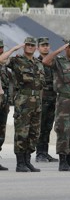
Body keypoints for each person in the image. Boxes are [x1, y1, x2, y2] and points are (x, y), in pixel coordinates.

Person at [0, 37, 44, 172]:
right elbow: (1, 59)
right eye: (28, 45)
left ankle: (27, 161)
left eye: (32, 45)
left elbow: (41, 85)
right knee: (22, 132)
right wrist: (14, 48)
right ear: (24, 47)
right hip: (23, 101)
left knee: (34, 133)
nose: (30, 47)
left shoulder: (38, 63)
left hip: (37, 101)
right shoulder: (17, 60)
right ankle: (20, 163)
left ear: (36, 48)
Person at [42, 39, 70, 172]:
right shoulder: (60, 61)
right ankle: (62, 161)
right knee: (63, 130)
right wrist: (58, 50)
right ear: (66, 49)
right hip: (65, 101)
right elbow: (45, 61)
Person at [36, 37, 59, 163]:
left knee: (48, 126)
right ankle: (40, 153)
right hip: (43, 97)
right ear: (38, 48)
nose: (45, 47)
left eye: (47, 45)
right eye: (43, 45)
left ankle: (45, 152)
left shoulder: (53, 62)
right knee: (41, 126)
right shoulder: (36, 62)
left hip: (53, 97)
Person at [0, 39, 12, 171]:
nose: (0, 50)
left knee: (1, 133)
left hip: (4, 104)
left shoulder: (4, 66)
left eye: (2, 48)